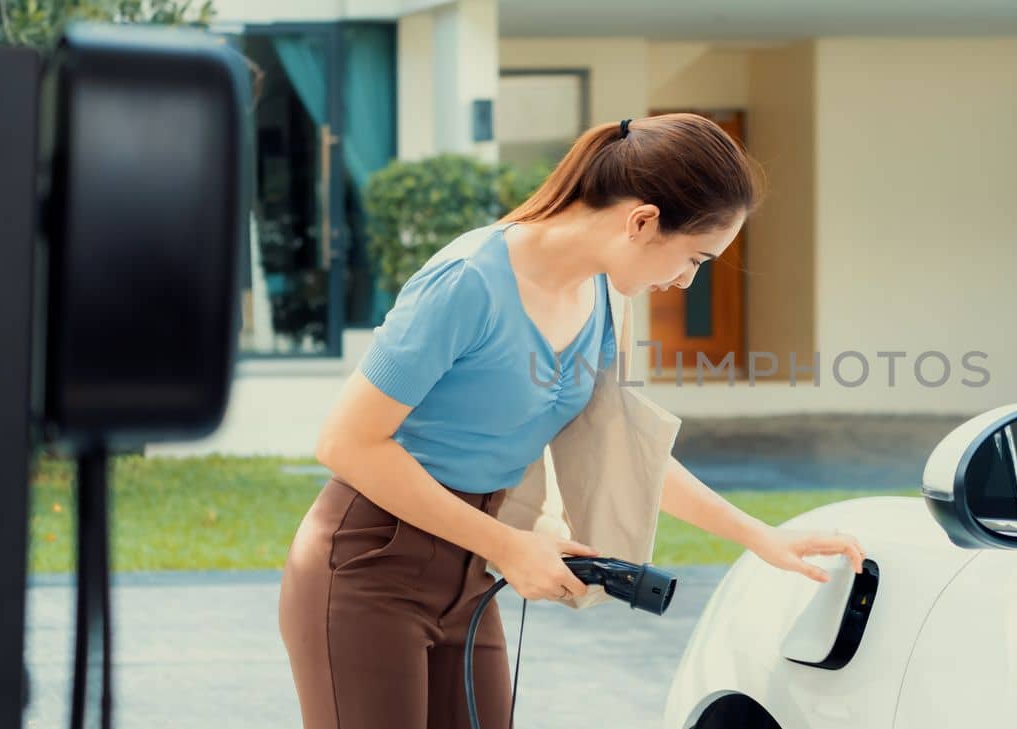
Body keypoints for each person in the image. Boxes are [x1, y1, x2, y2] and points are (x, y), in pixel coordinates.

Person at [278, 114, 867, 729]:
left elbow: (622, 453)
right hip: (366, 564)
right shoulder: (468, 282)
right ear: (642, 221)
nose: (685, 281)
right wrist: (509, 546)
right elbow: (346, 442)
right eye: (695, 258)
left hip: (470, 573)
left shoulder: (603, 299)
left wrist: (758, 534)